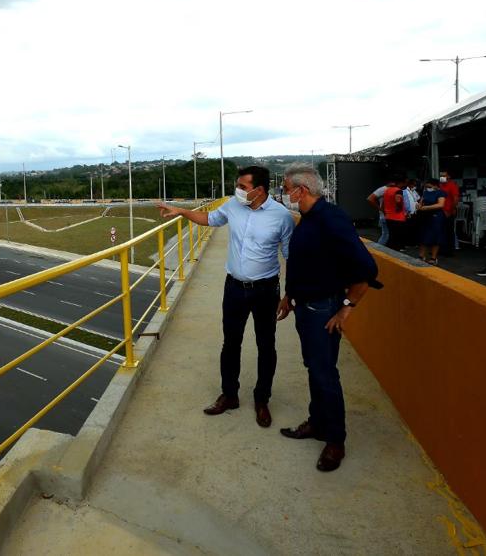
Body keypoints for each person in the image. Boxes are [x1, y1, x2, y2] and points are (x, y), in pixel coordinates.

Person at [158, 165, 294, 428]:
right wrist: (182, 211)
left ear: (259, 190)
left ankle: (262, 399)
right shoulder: (233, 205)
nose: (238, 191)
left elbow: (290, 256)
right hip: (234, 288)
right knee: (231, 343)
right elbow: (209, 219)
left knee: (266, 346)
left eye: (243, 187)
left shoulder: (282, 217)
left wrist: (289, 294)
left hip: (266, 290)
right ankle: (229, 395)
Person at [276, 163, 379, 472]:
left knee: (324, 373)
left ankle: (335, 441)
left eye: (286, 187)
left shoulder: (331, 218)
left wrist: (347, 306)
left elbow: (368, 269)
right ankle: (318, 423)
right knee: (314, 368)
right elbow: (304, 263)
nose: (284, 192)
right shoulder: (310, 217)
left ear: (301, 190)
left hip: (323, 308)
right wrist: (289, 297)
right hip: (304, 306)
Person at [416, 178, 446, 264]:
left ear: (435, 186)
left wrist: (426, 208)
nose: (427, 188)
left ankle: (433, 258)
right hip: (425, 216)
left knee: (435, 236)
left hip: (436, 217)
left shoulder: (441, 193)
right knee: (423, 235)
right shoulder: (425, 193)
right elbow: (421, 202)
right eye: (426, 186)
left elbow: (441, 204)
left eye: (429, 186)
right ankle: (421, 256)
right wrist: (419, 205)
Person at [381, 176, 407, 251]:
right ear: (401, 183)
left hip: (389, 217)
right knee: (397, 238)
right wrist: (399, 208)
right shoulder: (398, 190)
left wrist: (386, 212)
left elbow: (383, 204)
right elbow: (398, 200)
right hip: (398, 218)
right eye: (405, 183)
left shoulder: (387, 190)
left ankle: (389, 252)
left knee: (391, 237)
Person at [439, 170, 460, 255]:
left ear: (448, 176)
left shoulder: (452, 185)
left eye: (444, 175)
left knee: (449, 231)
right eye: (441, 175)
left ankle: (449, 251)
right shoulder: (440, 185)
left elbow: (455, 199)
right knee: (440, 231)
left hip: (448, 211)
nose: (442, 177)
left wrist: (451, 210)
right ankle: (441, 249)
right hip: (440, 211)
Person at [367, 181, 393, 246]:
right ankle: (378, 249)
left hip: (390, 216)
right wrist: (380, 209)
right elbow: (370, 199)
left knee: (388, 235)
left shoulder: (392, 189)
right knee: (386, 235)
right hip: (385, 216)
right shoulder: (383, 189)